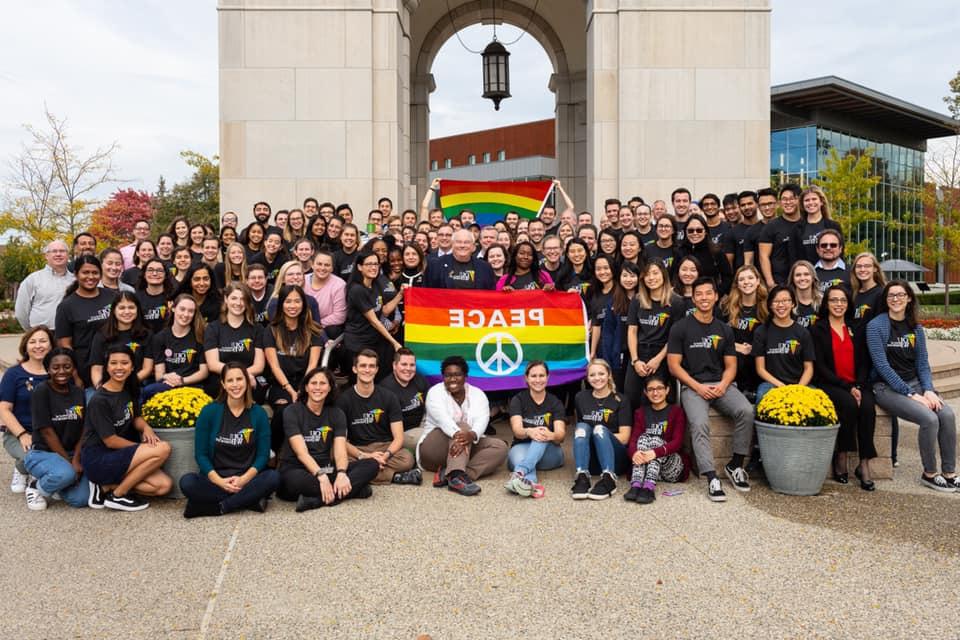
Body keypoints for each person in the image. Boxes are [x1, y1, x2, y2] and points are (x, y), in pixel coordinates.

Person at [667, 277, 754, 502]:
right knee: (700, 423)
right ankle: (711, 476)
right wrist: (697, 387)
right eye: (699, 294)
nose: (704, 298)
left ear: (716, 297)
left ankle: (735, 465)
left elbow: (731, 365)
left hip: (722, 385)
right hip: (693, 387)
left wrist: (723, 385)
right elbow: (674, 365)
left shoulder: (724, 329)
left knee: (746, 411)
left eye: (709, 293)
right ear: (693, 298)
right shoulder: (681, 327)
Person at [867, 281, 957, 492]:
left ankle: (950, 473)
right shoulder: (876, 326)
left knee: (947, 415)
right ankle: (929, 473)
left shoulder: (915, 327)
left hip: (915, 383)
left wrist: (927, 390)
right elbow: (882, 367)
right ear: (886, 300)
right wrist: (910, 394)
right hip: (885, 387)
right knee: (929, 418)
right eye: (891, 296)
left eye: (900, 295)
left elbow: (923, 364)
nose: (896, 299)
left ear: (908, 298)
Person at [178, 362, 280, 517]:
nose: (235, 385)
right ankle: (250, 500)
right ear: (223, 384)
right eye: (230, 380)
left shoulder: (258, 413)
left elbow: (263, 455)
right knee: (187, 482)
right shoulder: (209, 412)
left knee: (273, 477)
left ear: (247, 381)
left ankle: (221, 507)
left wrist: (244, 479)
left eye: (239, 379)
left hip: (247, 479)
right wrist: (219, 481)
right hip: (216, 480)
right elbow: (201, 455)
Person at [82, 345, 173, 511]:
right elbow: (110, 441)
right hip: (99, 458)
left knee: (163, 486)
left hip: (120, 456)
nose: (119, 367)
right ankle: (118, 495)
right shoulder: (99, 400)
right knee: (163, 448)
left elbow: (135, 417)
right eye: (114, 363)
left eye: (124, 363)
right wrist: (143, 449)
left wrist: (146, 428)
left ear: (132, 367)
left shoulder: (128, 390)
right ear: (107, 367)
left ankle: (107, 487)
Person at [277, 367, 379, 511]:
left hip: (327, 468)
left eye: (323, 383)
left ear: (330, 387)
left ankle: (315, 501)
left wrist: (342, 473)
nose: (318, 387)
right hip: (298, 470)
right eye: (313, 383)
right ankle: (355, 491)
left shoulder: (337, 414)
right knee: (290, 482)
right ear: (306, 387)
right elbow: (302, 453)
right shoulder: (292, 411)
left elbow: (340, 450)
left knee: (371, 465)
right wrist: (321, 476)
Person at [812, 285, 877, 490]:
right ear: (826, 303)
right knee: (849, 405)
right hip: (831, 383)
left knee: (867, 408)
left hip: (857, 383)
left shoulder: (856, 327)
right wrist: (847, 387)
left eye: (842, 300)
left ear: (848, 304)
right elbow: (820, 366)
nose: (838, 304)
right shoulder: (818, 328)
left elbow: (864, 362)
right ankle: (841, 454)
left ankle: (864, 463)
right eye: (833, 300)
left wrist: (857, 385)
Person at [418, 356, 508, 496]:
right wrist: (464, 434)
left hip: (463, 447)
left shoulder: (478, 394)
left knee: (500, 447)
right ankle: (456, 474)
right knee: (462, 425)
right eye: (448, 375)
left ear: (465, 376)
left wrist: (472, 435)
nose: (453, 379)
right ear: (443, 377)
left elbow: (482, 420)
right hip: (434, 449)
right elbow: (444, 421)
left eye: (457, 374)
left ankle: (453, 475)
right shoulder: (435, 393)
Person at [337, 349, 419, 485]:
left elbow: (399, 437)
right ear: (354, 369)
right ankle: (395, 477)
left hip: (384, 448)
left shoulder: (389, 397)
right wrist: (364, 456)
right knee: (338, 459)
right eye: (363, 366)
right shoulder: (343, 400)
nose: (367, 370)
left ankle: (367, 472)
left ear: (376, 370)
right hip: (358, 449)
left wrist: (386, 455)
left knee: (407, 459)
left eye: (371, 366)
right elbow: (341, 441)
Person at [23, 348, 89, 510]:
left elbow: (84, 429)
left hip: (72, 453)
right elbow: (46, 431)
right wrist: (69, 463)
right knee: (67, 473)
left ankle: (60, 482)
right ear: (48, 369)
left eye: (67, 367)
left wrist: (77, 458)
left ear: (73, 369)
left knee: (80, 499)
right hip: (44, 452)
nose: (61, 371)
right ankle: (36, 486)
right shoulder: (41, 391)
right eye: (55, 367)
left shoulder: (78, 392)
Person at [262, 285, 324, 453]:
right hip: (281, 385)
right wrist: (291, 391)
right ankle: (273, 452)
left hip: (307, 383)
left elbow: (312, 365)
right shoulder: (271, 330)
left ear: (303, 304)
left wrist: (302, 389)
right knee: (284, 410)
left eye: (297, 301)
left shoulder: (314, 330)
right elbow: (274, 366)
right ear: (281, 304)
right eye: (288, 301)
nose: (293, 305)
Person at [0, 327, 53, 496]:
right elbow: (4, 408)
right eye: (33, 342)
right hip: (19, 433)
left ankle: (32, 469)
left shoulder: (59, 371)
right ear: (25, 347)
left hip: (50, 433)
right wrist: (22, 434)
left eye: (43, 341)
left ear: (52, 345)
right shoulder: (13, 374)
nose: (38, 346)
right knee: (30, 456)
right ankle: (22, 469)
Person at [571, 359, 632, 500]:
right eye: (592, 375)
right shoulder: (580, 397)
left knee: (599, 429)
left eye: (601, 374)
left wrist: (600, 436)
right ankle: (582, 475)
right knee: (580, 428)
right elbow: (581, 434)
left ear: (609, 375)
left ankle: (609, 478)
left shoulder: (621, 400)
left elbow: (625, 437)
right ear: (587, 377)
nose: (597, 378)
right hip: (592, 461)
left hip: (616, 459)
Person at [504, 361, 566, 499]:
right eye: (533, 376)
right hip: (521, 448)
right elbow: (517, 431)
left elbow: (561, 435)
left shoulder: (555, 402)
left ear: (547, 377)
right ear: (526, 378)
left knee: (542, 433)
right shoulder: (518, 400)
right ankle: (529, 483)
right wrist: (529, 431)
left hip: (550, 453)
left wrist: (550, 435)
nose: (538, 380)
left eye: (541, 375)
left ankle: (520, 472)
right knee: (534, 438)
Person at [624, 375, 689, 504]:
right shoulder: (640, 412)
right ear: (645, 392)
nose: (655, 393)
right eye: (651, 389)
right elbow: (633, 440)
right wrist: (635, 453)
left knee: (655, 440)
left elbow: (677, 442)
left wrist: (654, 453)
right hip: (645, 468)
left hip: (671, 469)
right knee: (642, 438)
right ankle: (637, 485)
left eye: (659, 388)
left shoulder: (677, 412)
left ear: (667, 390)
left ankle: (649, 487)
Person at [54, 255, 116, 387]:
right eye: (85, 272)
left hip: (115, 364)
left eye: (95, 273)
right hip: (84, 368)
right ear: (76, 274)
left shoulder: (112, 297)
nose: (91, 277)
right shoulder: (67, 306)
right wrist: (75, 376)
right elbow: (65, 346)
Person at [625, 261, 679, 409]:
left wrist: (658, 359)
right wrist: (635, 360)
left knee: (657, 398)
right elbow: (632, 331)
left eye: (655, 273)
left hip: (662, 354)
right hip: (639, 352)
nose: (651, 278)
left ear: (664, 275)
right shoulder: (637, 300)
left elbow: (675, 338)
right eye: (647, 274)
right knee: (631, 397)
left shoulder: (676, 302)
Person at [344, 250, 403, 378]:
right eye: (369, 264)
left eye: (376, 264)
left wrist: (400, 295)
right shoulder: (357, 290)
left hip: (374, 341)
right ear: (360, 267)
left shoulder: (376, 284)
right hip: (358, 344)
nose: (373, 267)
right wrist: (394, 343)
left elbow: (385, 310)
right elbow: (375, 321)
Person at [752, 286, 815, 403]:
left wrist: (798, 388)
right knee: (763, 399)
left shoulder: (803, 332)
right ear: (770, 305)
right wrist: (781, 386)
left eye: (786, 300)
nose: (781, 305)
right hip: (770, 384)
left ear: (793, 304)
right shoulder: (761, 332)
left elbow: (809, 368)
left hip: (799, 383)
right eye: (776, 301)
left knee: (816, 403)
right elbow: (760, 369)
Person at [203, 283, 267, 400]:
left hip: (249, 378)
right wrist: (236, 378)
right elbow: (213, 364)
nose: (238, 303)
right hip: (222, 379)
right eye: (234, 298)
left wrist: (242, 378)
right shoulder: (213, 328)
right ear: (226, 299)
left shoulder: (257, 329)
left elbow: (259, 366)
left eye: (243, 299)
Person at [143, 294, 209, 402]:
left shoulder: (200, 336)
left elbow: (203, 372)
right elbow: (159, 375)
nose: (186, 314)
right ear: (173, 308)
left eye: (190, 311)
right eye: (182, 309)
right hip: (167, 384)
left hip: (192, 385)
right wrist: (167, 377)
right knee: (148, 390)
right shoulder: (160, 338)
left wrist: (182, 381)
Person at [89, 291, 155, 389]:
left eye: (131, 307)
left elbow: (147, 369)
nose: (127, 312)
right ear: (114, 311)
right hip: (106, 387)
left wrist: (124, 386)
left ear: (138, 310)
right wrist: (103, 389)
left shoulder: (147, 334)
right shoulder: (101, 335)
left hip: (136, 385)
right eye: (122, 308)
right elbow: (96, 369)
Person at [721, 265, 767, 400]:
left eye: (750, 278)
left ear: (758, 281)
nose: (746, 282)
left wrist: (754, 348)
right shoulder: (726, 306)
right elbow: (717, 334)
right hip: (734, 355)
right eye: (742, 279)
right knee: (739, 357)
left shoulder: (767, 306)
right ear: (737, 284)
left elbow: (773, 335)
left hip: (759, 355)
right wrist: (738, 347)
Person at [15, 239, 74, 331]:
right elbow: (21, 311)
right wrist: (32, 331)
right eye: (54, 251)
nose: (58, 254)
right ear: (46, 256)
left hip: (69, 333)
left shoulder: (75, 280)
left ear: (68, 255)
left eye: (62, 251)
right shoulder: (33, 279)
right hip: (42, 335)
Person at [600, 261, 641, 391]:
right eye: (625, 276)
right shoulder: (613, 302)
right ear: (619, 278)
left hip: (640, 355)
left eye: (632, 276)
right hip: (619, 355)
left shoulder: (645, 300)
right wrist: (608, 361)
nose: (628, 280)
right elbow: (608, 333)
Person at [379, 348, 430, 451]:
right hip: (400, 435)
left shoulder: (420, 380)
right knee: (428, 439)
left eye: (412, 365)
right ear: (394, 365)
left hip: (422, 425)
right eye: (404, 364)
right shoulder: (385, 389)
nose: (408, 369)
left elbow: (429, 406)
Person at [758, 183, 803, 287]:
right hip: (780, 282)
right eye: (784, 199)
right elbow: (763, 256)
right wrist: (770, 283)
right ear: (780, 202)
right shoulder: (771, 227)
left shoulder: (806, 224)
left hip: (804, 280)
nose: (788, 202)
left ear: (799, 200)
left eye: (792, 198)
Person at [677, 214, 732, 295]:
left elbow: (727, 277)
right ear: (685, 232)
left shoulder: (716, 251)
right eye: (690, 230)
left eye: (699, 230)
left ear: (705, 231)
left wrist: (717, 294)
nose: (695, 233)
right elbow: (674, 277)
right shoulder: (680, 252)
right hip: (685, 299)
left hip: (710, 299)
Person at [425, 229, 496, 290]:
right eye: (458, 242)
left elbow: (490, 295)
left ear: (473, 246)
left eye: (467, 242)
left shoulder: (485, 268)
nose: (462, 245)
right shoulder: (435, 265)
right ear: (452, 245)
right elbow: (427, 293)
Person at [303, 250, 347, 338]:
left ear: (332, 268)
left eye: (327, 265)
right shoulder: (303, 280)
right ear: (312, 264)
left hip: (324, 326)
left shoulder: (339, 285)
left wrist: (314, 324)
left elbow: (340, 316)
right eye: (319, 264)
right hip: (302, 322)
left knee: (333, 330)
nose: (322, 268)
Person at [850, 252, 887, 333]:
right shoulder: (853, 294)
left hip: (872, 343)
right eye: (859, 266)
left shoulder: (881, 293)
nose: (862, 269)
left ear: (875, 269)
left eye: (867, 266)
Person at [787, 260, 821, 328]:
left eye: (806, 274)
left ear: (813, 278)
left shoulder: (823, 302)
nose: (802, 278)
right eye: (798, 275)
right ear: (792, 279)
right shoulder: (787, 303)